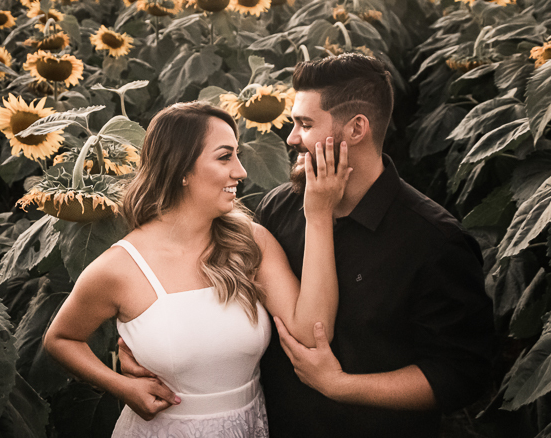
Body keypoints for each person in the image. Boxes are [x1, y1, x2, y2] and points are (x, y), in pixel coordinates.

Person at [121, 53, 494, 437]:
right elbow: (218, 292)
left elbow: (461, 374)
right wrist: (145, 343)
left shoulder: (433, 240)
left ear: (356, 129)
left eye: (305, 124)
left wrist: (340, 385)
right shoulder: (280, 207)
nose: (291, 136)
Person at [43, 101, 351, 437]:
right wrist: (121, 386)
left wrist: (319, 217)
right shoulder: (119, 267)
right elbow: (60, 339)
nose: (241, 171)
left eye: (237, 155)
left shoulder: (250, 243)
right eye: (224, 157)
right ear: (182, 170)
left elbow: (312, 333)